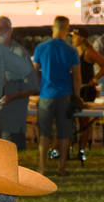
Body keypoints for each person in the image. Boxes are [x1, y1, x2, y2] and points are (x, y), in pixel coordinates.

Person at [32, 16, 81, 176]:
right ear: (66, 29)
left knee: (44, 133)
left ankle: (42, 167)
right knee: (64, 132)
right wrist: (77, 95)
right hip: (65, 95)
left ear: (53, 27)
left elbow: (34, 71)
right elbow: (76, 77)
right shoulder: (71, 50)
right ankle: (61, 167)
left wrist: (38, 87)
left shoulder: (41, 48)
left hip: (46, 95)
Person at [0, 16, 37, 152]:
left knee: (9, 157)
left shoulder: (20, 54)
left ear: (10, 31)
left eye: (0, 28)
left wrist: (12, 96)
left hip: (11, 118)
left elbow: (33, 86)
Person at [69, 27, 104, 161]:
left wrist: (94, 79)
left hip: (86, 89)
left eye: (74, 36)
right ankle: (69, 147)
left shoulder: (89, 52)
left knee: (84, 121)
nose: (72, 39)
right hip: (75, 89)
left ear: (81, 38)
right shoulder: (74, 52)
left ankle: (81, 150)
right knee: (71, 120)